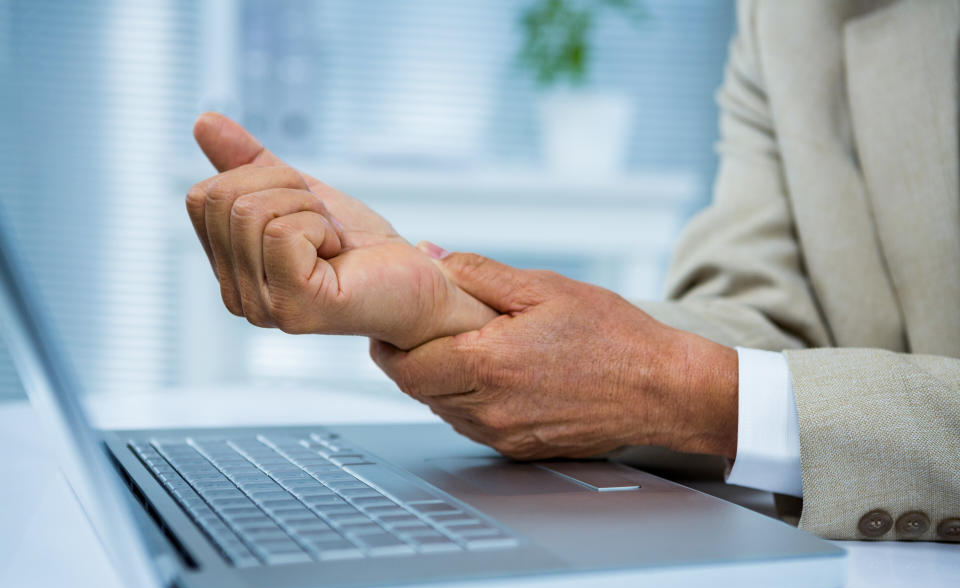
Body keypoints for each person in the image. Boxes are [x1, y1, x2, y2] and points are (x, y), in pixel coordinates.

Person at [185, 0, 960, 543]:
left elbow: (710, 380)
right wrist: (458, 314)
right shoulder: (789, 14)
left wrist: (681, 389)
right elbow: (768, 321)